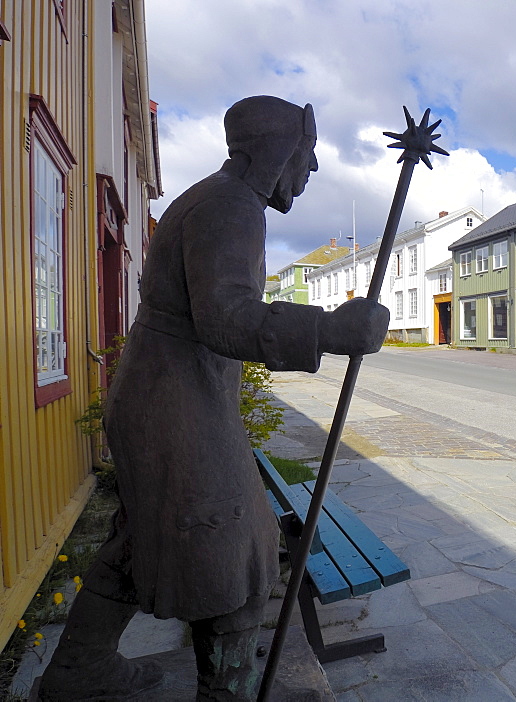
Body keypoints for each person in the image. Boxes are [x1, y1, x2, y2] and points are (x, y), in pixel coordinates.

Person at [38, 96, 389, 701]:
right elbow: (224, 317)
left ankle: (78, 670)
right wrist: (328, 329)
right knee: (238, 553)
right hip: (175, 407)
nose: (310, 173)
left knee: (147, 535)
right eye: (305, 157)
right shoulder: (229, 206)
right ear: (275, 153)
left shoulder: (218, 201)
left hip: (170, 398)